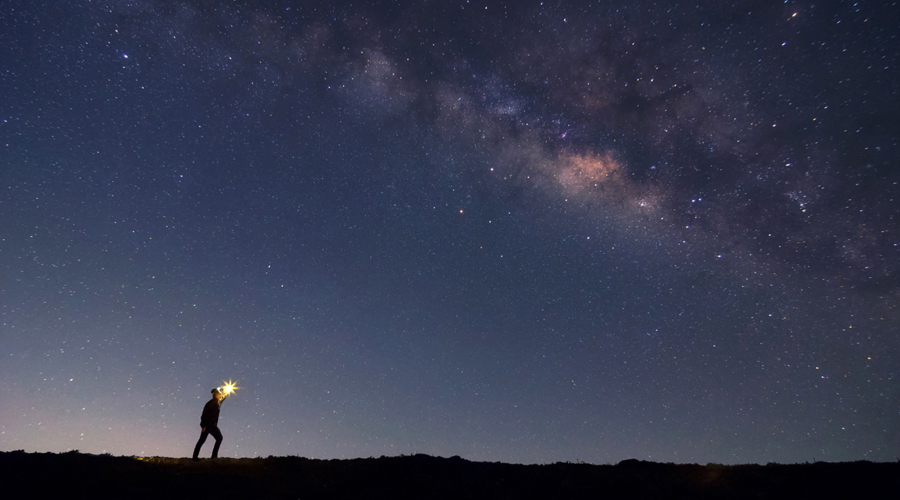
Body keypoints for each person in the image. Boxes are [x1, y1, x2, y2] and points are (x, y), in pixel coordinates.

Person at [192, 388, 226, 460]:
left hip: (212, 425)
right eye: (219, 393)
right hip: (208, 425)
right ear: (216, 394)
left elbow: (222, 398)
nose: (220, 394)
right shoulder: (210, 403)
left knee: (219, 438)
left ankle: (214, 456)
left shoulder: (217, 402)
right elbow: (204, 414)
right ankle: (195, 457)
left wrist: (226, 392)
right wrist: (203, 425)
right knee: (202, 440)